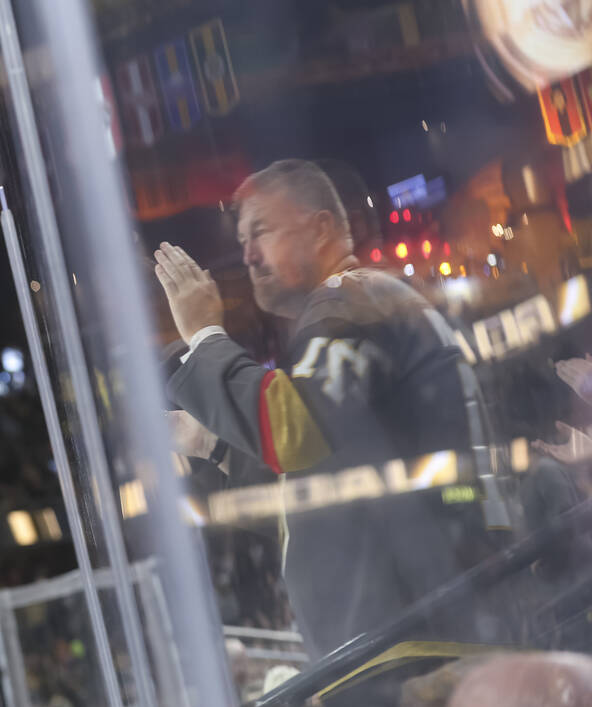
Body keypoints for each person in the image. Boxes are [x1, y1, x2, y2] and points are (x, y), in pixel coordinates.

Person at [154, 159, 517, 662]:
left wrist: (203, 334)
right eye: (242, 242)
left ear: (321, 228)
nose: (248, 256)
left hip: (422, 645)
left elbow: (290, 433)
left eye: (260, 231)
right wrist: (211, 443)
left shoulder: (350, 298)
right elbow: (318, 493)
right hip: (425, 633)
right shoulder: (351, 306)